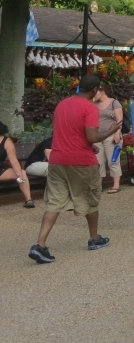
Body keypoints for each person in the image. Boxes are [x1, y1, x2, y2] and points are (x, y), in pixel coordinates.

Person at [29, 74, 122, 264]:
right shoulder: (90, 107)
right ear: (95, 90)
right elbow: (92, 136)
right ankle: (94, 239)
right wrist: (111, 130)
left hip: (57, 160)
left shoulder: (62, 104)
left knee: (54, 202)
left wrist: (89, 145)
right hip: (81, 162)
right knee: (90, 198)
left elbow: (68, 133)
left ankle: (40, 244)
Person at [92, 82, 124, 194]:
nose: (94, 95)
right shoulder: (94, 104)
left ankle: (116, 185)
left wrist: (117, 134)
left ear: (102, 91)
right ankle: (98, 186)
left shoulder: (114, 103)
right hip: (98, 136)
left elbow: (119, 120)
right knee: (98, 162)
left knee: (113, 160)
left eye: (96, 92)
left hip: (111, 134)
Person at [0, 122, 34, 207]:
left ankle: (29, 200)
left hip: (1, 169)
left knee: (22, 172)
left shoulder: (6, 141)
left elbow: (13, 160)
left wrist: (19, 174)